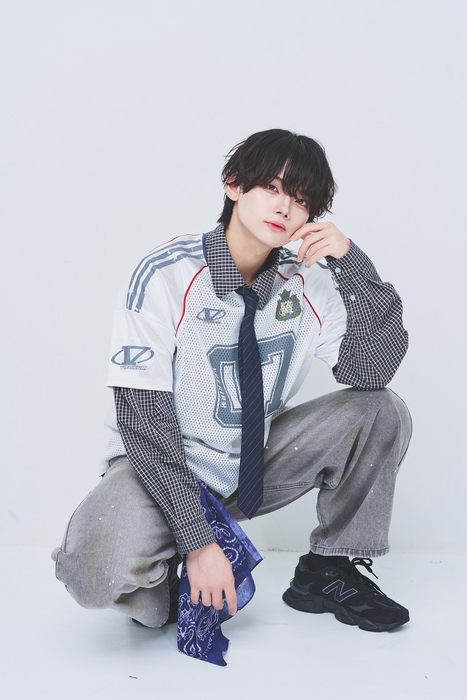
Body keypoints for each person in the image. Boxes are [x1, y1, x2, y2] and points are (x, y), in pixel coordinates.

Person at [52, 128, 412, 635]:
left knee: (381, 409)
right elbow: (142, 421)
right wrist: (198, 543)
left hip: (252, 466)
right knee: (91, 570)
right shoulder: (166, 274)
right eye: (271, 187)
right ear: (234, 184)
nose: (284, 207)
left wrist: (354, 264)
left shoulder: (307, 283)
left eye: (301, 199)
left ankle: (329, 569)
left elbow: (370, 371)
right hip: (161, 468)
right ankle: (169, 575)